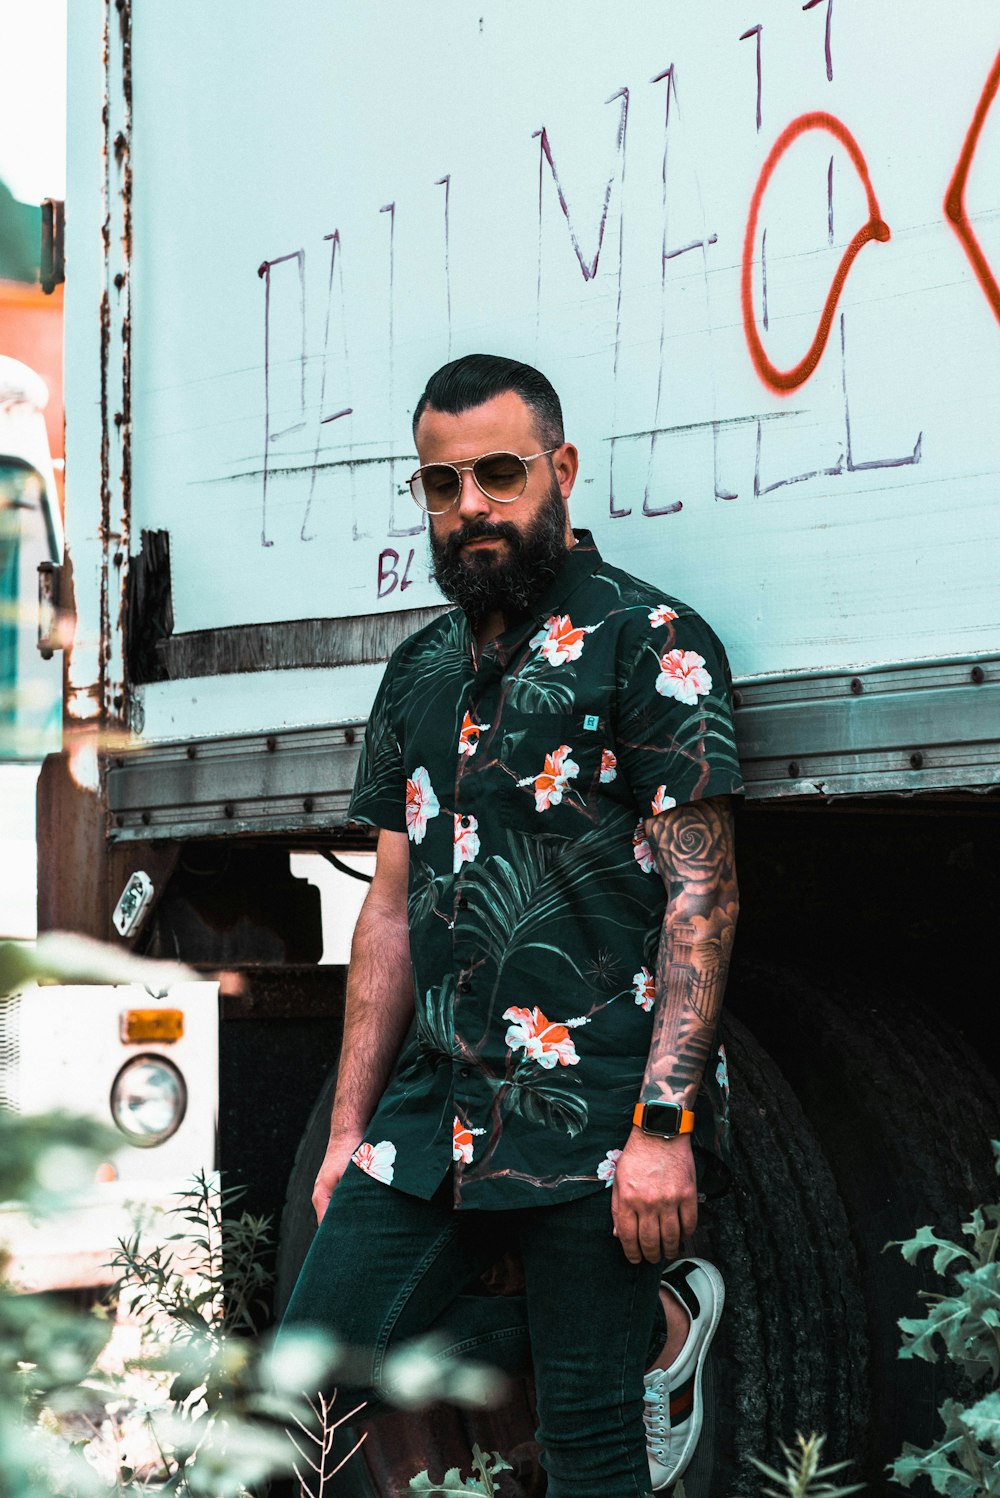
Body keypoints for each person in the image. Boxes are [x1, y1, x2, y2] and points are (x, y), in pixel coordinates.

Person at [281, 354, 742, 1497]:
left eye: (498, 472)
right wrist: (347, 1133)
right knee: (296, 1407)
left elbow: (701, 894)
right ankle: (650, 1328)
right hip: (433, 1113)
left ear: (561, 470)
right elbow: (384, 914)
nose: (471, 504)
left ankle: (629, 1329)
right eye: (443, 483)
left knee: (590, 1461)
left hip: (594, 1112)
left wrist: (664, 1126)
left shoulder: (653, 641)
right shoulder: (417, 674)